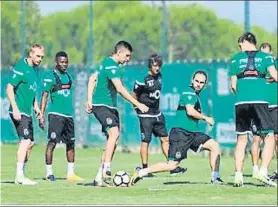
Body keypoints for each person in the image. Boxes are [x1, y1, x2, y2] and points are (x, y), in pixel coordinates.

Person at [130, 71, 224, 185]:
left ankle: (215, 178)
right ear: (192, 80)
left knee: (214, 146)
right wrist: (206, 118)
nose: (198, 84)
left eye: (202, 82)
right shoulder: (189, 92)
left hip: (192, 133)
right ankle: (141, 172)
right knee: (172, 165)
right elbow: (190, 111)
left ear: (205, 84)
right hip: (181, 134)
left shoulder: (195, 94)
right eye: (197, 81)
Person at [85, 41, 149, 186]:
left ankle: (98, 178)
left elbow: (92, 78)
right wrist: (137, 103)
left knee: (114, 140)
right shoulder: (110, 65)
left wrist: (88, 99)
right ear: (119, 53)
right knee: (114, 133)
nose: (128, 59)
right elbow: (119, 89)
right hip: (101, 105)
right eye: (127, 56)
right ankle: (106, 169)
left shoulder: (107, 64)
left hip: (111, 107)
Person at [230, 32, 277, 187]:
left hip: (241, 103)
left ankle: (238, 176)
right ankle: (263, 172)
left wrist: (243, 94)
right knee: (269, 136)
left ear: (246, 41)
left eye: (240, 44)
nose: (240, 47)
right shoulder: (265, 57)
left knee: (242, 139)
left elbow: (233, 85)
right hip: (260, 102)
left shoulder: (236, 58)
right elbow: (274, 75)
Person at [132, 54, 186, 176]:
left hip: (157, 114)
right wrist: (137, 107)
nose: (157, 68)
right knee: (146, 141)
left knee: (165, 139)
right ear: (150, 65)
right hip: (146, 116)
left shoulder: (159, 77)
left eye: (159, 65)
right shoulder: (143, 78)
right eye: (154, 65)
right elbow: (134, 95)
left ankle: (171, 166)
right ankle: (145, 169)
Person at [39, 51, 83, 182]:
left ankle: (70, 174)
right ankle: (49, 173)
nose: (64, 64)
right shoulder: (50, 76)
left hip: (68, 116)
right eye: (62, 62)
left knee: (71, 144)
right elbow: (45, 96)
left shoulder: (68, 77)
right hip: (56, 115)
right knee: (52, 143)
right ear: (56, 62)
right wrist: (41, 114)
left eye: (66, 62)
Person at [6, 43, 45, 185]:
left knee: (31, 143)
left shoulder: (36, 70)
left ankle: (22, 173)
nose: (40, 59)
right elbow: (9, 87)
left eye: (42, 57)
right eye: (38, 56)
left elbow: (32, 91)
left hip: (27, 112)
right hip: (19, 111)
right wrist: (15, 108)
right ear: (31, 54)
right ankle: (19, 176)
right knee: (25, 140)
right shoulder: (21, 67)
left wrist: (36, 107)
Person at [258, 43, 277, 181]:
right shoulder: (258, 67)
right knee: (264, 139)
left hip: (276, 106)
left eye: (267, 54)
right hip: (263, 107)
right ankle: (262, 170)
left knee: (276, 138)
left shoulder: (274, 65)